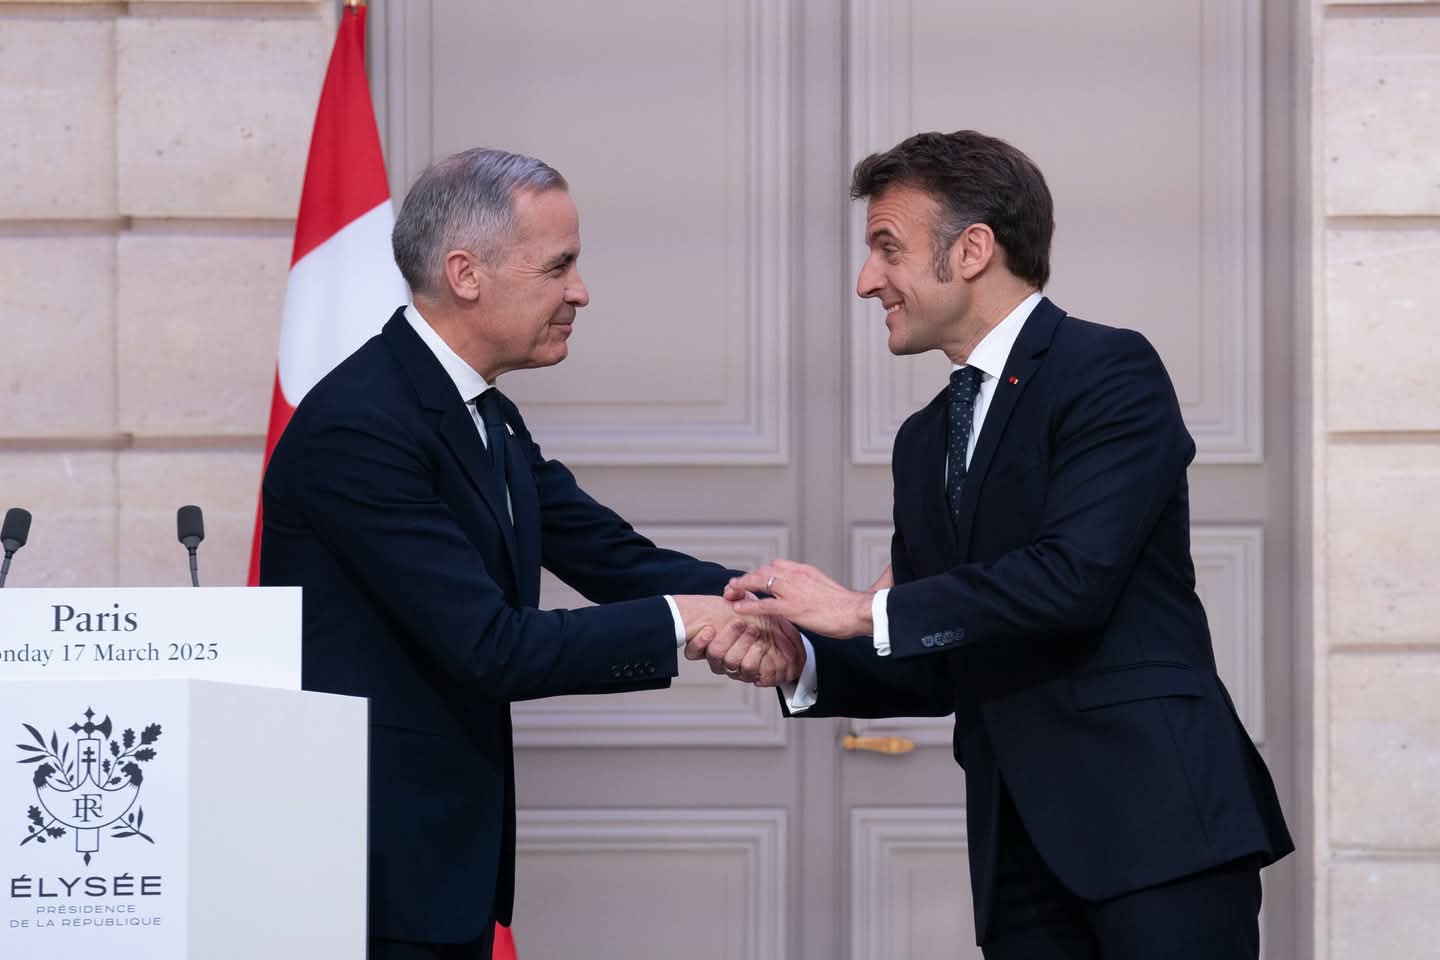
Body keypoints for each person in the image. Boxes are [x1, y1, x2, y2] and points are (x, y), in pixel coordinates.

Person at [711, 130, 1293, 959]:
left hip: (1158, 830)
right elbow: (938, 652)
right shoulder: (923, 441)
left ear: (973, 250)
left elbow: (1073, 578)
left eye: (888, 248)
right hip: (1016, 856)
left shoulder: (1109, 370)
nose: (867, 280)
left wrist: (860, 610)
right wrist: (803, 658)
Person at [260, 147, 799, 960]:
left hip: (439, 862)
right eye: (558, 266)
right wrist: (684, 622)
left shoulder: (482, 411)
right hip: (368, 873)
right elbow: (490, 646)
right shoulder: (361, 427)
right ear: (466, 274)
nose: (580, 291)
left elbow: (612, 556)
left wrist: (784, 604)